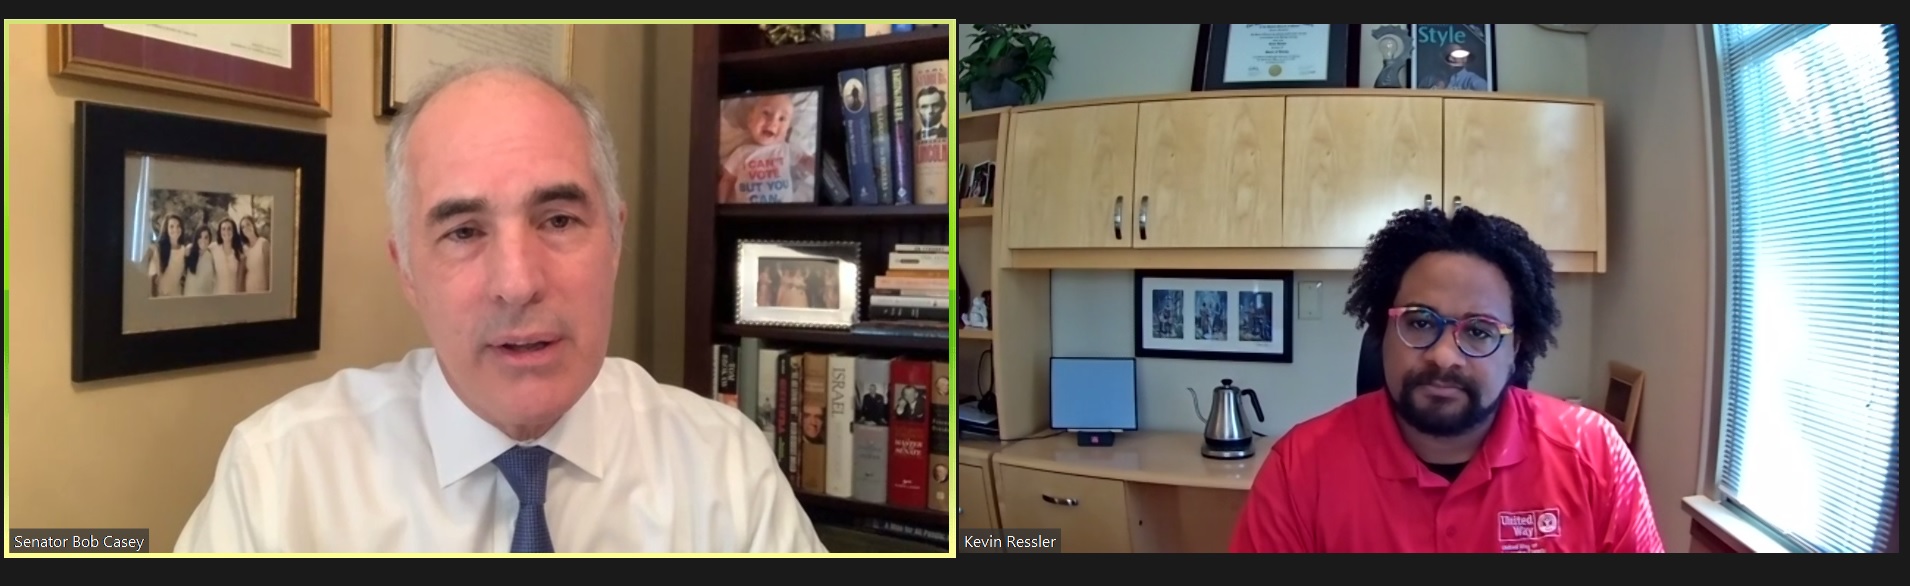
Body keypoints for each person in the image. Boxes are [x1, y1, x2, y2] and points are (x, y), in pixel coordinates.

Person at [175, 61, 827, 554]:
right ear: (407, 269)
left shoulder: (724, 468)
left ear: (616, 242)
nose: (517, 283)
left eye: (560, 219)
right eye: (463, 231)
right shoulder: (279, 476)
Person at [1230, 206, 1663, 554]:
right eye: (1420, 322)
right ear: (1382, 331)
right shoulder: (1299, 468)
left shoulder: (1595, 455)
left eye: (1478, 331)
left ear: (1516, 348)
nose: (1443, 354)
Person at [182, 227, 218, 297]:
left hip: (207, 297)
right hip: (191, 296)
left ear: (210, 239)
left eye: (206, 237)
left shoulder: (210, 254)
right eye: (200, 237)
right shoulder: (189, 250)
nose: (203, 240)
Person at [239, 216, 270, 293]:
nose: (246, 228)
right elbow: (243, 273)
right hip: (249, 289)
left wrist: (268, 291)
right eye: (243, 227)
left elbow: (269, 269)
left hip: (263, 289)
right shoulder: (244, 249)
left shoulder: (263, 243)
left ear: (253, 225)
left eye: (248, 224)